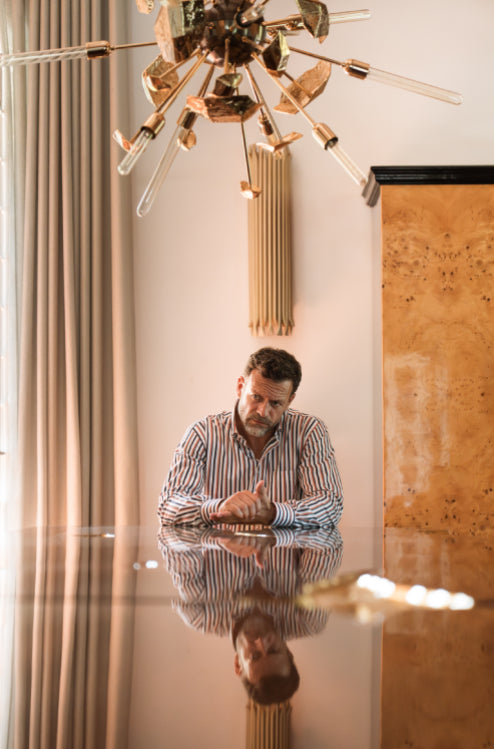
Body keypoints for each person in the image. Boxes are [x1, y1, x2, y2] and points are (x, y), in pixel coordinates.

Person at [158, 347, 343, 528]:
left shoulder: (309, 432)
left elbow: (330, 505)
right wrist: (218, 507)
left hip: (284, 547)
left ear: (289, 401)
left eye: (275, 403)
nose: (263, 411)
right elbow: (169, 505)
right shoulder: (202, 433)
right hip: (220, 547)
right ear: (240, 387)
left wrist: (275, 513)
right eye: (256, 397)